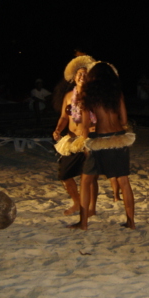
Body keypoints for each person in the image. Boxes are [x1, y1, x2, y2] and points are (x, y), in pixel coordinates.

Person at [76, 61, 136, 230]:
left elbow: (85, 125)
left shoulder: (88, 94)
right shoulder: (117, 93)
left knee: (86, 180)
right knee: (124, 181)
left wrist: (85, 144)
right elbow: (124, 120)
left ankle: (83, 223)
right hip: (119, 138)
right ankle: (131, 222)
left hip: (101, 139)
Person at [52, 54, 100, 217]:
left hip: (89, 139)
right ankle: (77, 203)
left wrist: (96, 128)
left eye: (85, 74)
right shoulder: (68, 96)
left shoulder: (94, 96)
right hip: (71, 140)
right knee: (64, 175)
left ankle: (92, 208)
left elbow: (101, 117)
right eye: (79, 74)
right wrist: (58, 130)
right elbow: (64, 117)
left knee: (90, 176)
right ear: (73, 78)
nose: (82, 76)